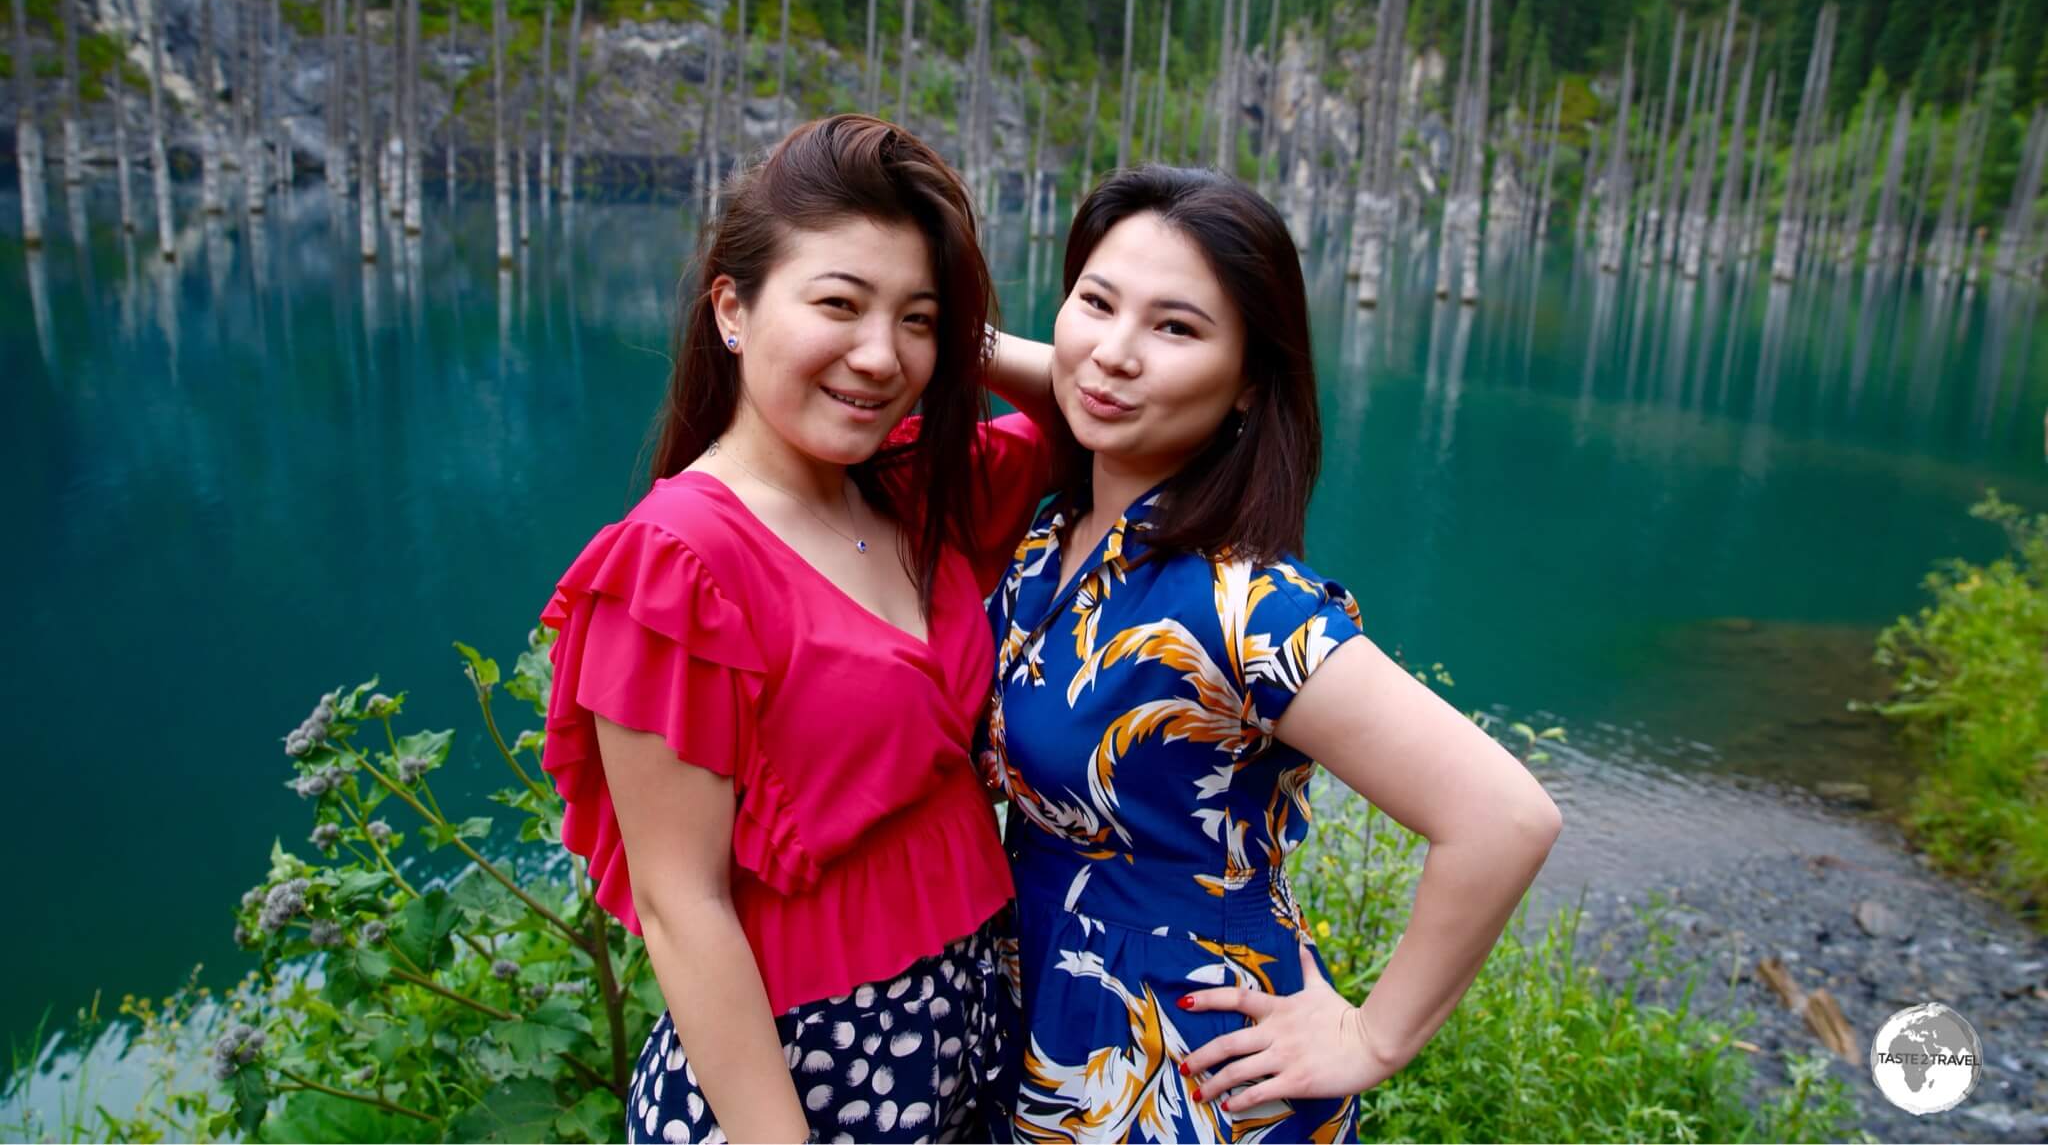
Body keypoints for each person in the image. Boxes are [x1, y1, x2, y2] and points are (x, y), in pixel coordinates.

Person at [984, 166, 1564, 1141]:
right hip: (1047, 1006)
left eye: (1176, 328)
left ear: (1249, 381)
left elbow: (1502, 817)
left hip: (1180, 1064)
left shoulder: (1242, 605)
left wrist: (1372, 1039)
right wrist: (940, 336)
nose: (1113, 354)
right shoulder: (1064, 531)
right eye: (1095, 301)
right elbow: (1093, 374)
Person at [539, 116, 1057, 1142]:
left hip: (969, 1043)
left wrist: (956, 341)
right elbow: (684, 911)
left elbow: (1090, 413)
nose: (878, 358)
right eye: (837, 304)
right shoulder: (676, 565)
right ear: (730, 308)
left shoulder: (916, 491)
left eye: (915, 321)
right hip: (809, 1079)